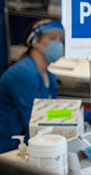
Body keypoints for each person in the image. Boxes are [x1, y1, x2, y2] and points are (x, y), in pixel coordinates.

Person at [0, 19, 64, 153]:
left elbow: (49, 114)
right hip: (11, 148)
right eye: (52, 38)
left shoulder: (50, 77)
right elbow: (34, 119)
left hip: (32, 143)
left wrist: (72, 115)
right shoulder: (23, 74)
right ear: (35, 42)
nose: (58, 44)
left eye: (60, 40)